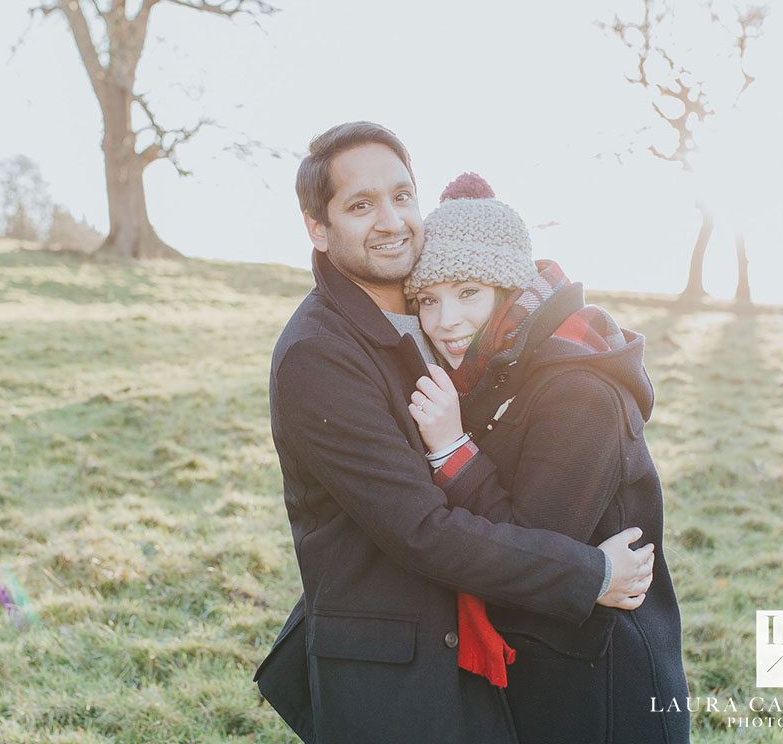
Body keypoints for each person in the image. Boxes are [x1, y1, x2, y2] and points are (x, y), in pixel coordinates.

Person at [253, 121, 656, 744]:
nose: (390, 220)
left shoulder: (424, 331)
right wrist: (589, 575)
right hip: (394, 678)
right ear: (319, 227)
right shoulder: (321, 354)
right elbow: (420, 530)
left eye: (402, 196)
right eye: (361, 205)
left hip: (475, 661)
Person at [403, 172, 690, 743]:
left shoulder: (580, 391)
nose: (446, 322)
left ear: (511, 291)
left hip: (603, 689)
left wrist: (452, 449)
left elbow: (530, 548)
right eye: (428, 300)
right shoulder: (494, 374)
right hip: (547, 670)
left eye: (467, 293)